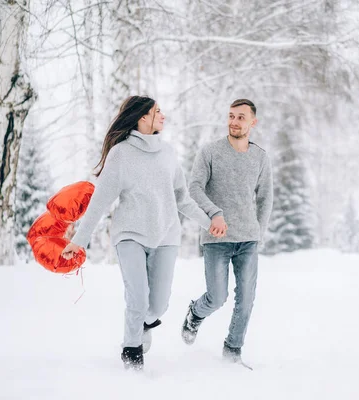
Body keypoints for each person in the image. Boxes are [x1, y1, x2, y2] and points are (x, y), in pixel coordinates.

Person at [61, 96, 224, 371]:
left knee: (157, 306)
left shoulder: (168, 153)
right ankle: (131, 354)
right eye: (156, 111)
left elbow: (182, 198)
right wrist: (80, 240)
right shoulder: (121, 154)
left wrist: (208, 222)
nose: (162, 115)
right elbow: (100, 200)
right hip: (130, 234)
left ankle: (146, 323)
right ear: (142, 118)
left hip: (166, 236)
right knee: (137, 297)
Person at [181, 99, 273, 364]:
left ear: (252, 123)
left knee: (246, 299)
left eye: (241, 117)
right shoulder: (210, 152)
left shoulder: (260, 157)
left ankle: (232, 352)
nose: (234, 121)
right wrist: (214, 213)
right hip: (217, 238)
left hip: (248, 240)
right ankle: (195, 314)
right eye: (231, 116)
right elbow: (194, 188)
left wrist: (259, 231)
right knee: (217, 296)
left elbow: (265, 197)